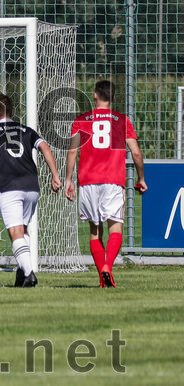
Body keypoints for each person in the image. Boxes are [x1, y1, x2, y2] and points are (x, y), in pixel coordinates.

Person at [65, 80, 147, 288]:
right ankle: (107, 267)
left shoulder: (82, 120)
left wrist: (68, 180)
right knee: (116, 230)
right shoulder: (121, 121)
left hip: (88, 181)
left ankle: (103, 274)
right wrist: (141, 178)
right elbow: (136, 152)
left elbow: (73, 151)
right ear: (113, 98)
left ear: (95, 95)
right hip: (113, 180)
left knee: (95, 232)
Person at [0, 94, 62, 287]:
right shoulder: (27, 130)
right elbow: (45, 148)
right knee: (22, 229)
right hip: (32, 187)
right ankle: (21, 273)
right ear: (12, 111)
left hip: (10, 188)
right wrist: (55, 175)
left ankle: (30, 274)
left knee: (15, 232)